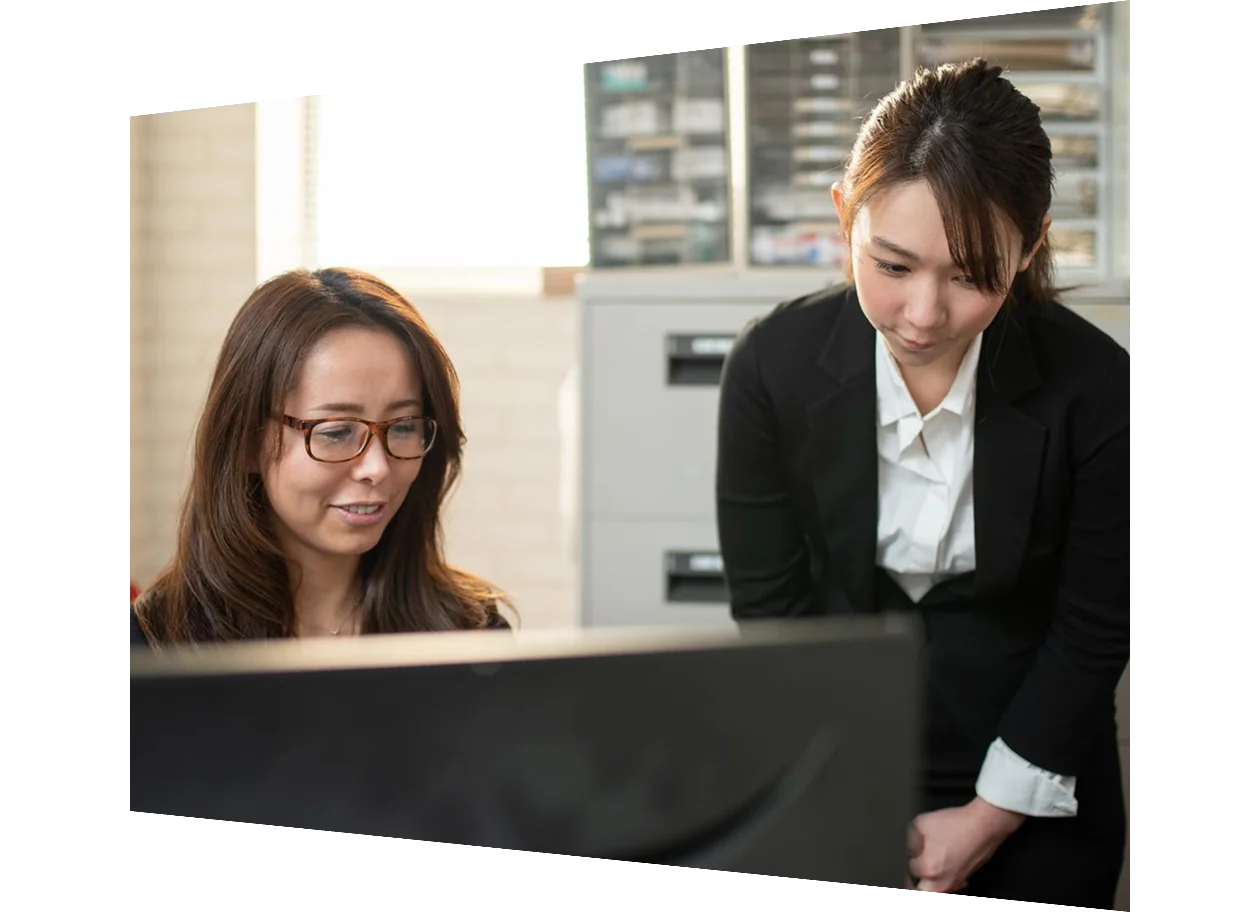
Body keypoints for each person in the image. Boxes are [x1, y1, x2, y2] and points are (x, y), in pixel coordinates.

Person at [715, 58, 1134, 905]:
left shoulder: (1099, 389)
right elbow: (772, 611)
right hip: (835, 746)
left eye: (972, 275)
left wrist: (988, 815)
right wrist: (854, 801)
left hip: (1036, 761)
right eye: (893, 265)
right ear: (846, 217)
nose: (922, 316)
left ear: (1033, 244)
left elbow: (1097, 625)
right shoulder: (773, 368)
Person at [130, 267, 514, 647]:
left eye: (402, 427)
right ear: (247, 441)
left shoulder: (472, 633)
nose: (377, 468)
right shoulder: (154, 647)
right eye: (336, 432)